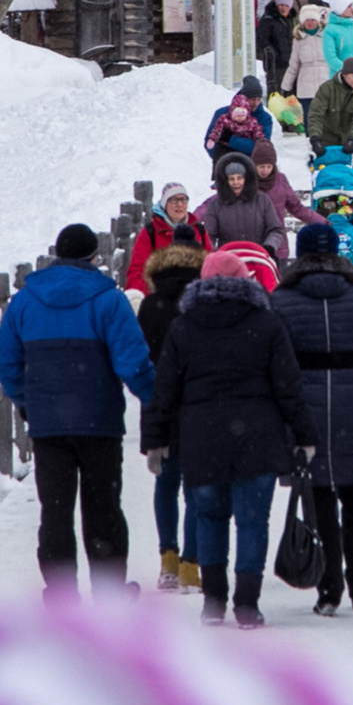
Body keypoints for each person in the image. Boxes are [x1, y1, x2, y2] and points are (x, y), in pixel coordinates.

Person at [141, 251, 318, 628]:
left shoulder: (184, 326)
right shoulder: (266, 323)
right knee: (253, 521)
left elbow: (166, 390)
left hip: (202, 436)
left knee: (209, 516)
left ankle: (214, 601)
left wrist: (156, 440)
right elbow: (289, 386)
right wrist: (305, 435)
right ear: (246, 280)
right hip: (258, 434)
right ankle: (247, 604)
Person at [0, 222, 156, 596]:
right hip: (99, 421)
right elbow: (133, 364)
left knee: (55, 511)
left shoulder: (25, 301)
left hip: (48, 423)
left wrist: (26, 400)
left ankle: (61, 595)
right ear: (93, 257)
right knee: (103, 509)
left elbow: (4, 361)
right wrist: (157, 399)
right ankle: (109, 593)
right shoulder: (109, 300)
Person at [268, 223, 353, 616]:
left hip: (305, 408)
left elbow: (278, 366)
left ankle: (329, 590)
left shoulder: (283, 300)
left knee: (320, 499)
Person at [134, 227, 207, 593]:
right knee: (197, 486)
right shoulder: (205, 300)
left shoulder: (151, 303)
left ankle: (167, 560)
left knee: (166, 480)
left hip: (160, 398)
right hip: (200, 398)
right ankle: (192, 564)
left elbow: (142, 355)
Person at [123, 183, 215, 294]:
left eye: (183, 200)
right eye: (174, 200)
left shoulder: (198, 229)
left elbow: (211, 266)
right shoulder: (151, 231)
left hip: (193, 297)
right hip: (160, 297)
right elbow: (137, 271)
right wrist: (148, 296)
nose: (179, 204)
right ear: (164, 204)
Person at [196, 153, 286, 259]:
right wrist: (212, 253)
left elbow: (275, 229)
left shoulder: (262, 200)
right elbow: (209, 235)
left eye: (239, 178)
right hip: (227, 260)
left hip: (258, 258)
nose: (236, 182)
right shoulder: (215, 205)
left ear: (246, 179)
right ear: (225, 181)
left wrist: (269, 246)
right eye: (231, 179)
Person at [251, 140, 326, 259]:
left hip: (278, 245)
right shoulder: (246, 183)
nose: (265, 170)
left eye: (268, 166)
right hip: (252, 244)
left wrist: (322, 222)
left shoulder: (280, 180)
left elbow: (297, 208)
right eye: (261, 167)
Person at [308, 58, 353, 155]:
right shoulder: (327, 88)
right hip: (326, 140)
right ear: (344, 75)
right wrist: (315, 138)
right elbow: (316, 115)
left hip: (349, 141)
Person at [280, 6, 331, 120]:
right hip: (306, 87)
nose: (310, 23)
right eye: (307, 20)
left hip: (326, 84)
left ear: (318, 21)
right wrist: (285, 87)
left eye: (313, 19)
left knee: (327, 121)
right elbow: (293, 66)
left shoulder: (327, 36)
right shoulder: (298, 40)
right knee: (311, 120)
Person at [203, 89, 269, 161]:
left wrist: (231, 140)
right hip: (224, 158)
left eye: (259, 99)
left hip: (248, 161)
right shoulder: (223, 115)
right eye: (252, 99)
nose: (256, 103)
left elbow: (261, 146)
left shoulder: (261, 119)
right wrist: (220, 157)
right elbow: (210, 140)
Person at [257, 0, 296, 84]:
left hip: (290, 62)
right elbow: (261, 39)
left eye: (286, 6)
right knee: (275, 90)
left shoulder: (291, 20)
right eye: (281, 5)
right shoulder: (268, 19)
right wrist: (271, 52)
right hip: (275, 63)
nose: (283, 8)